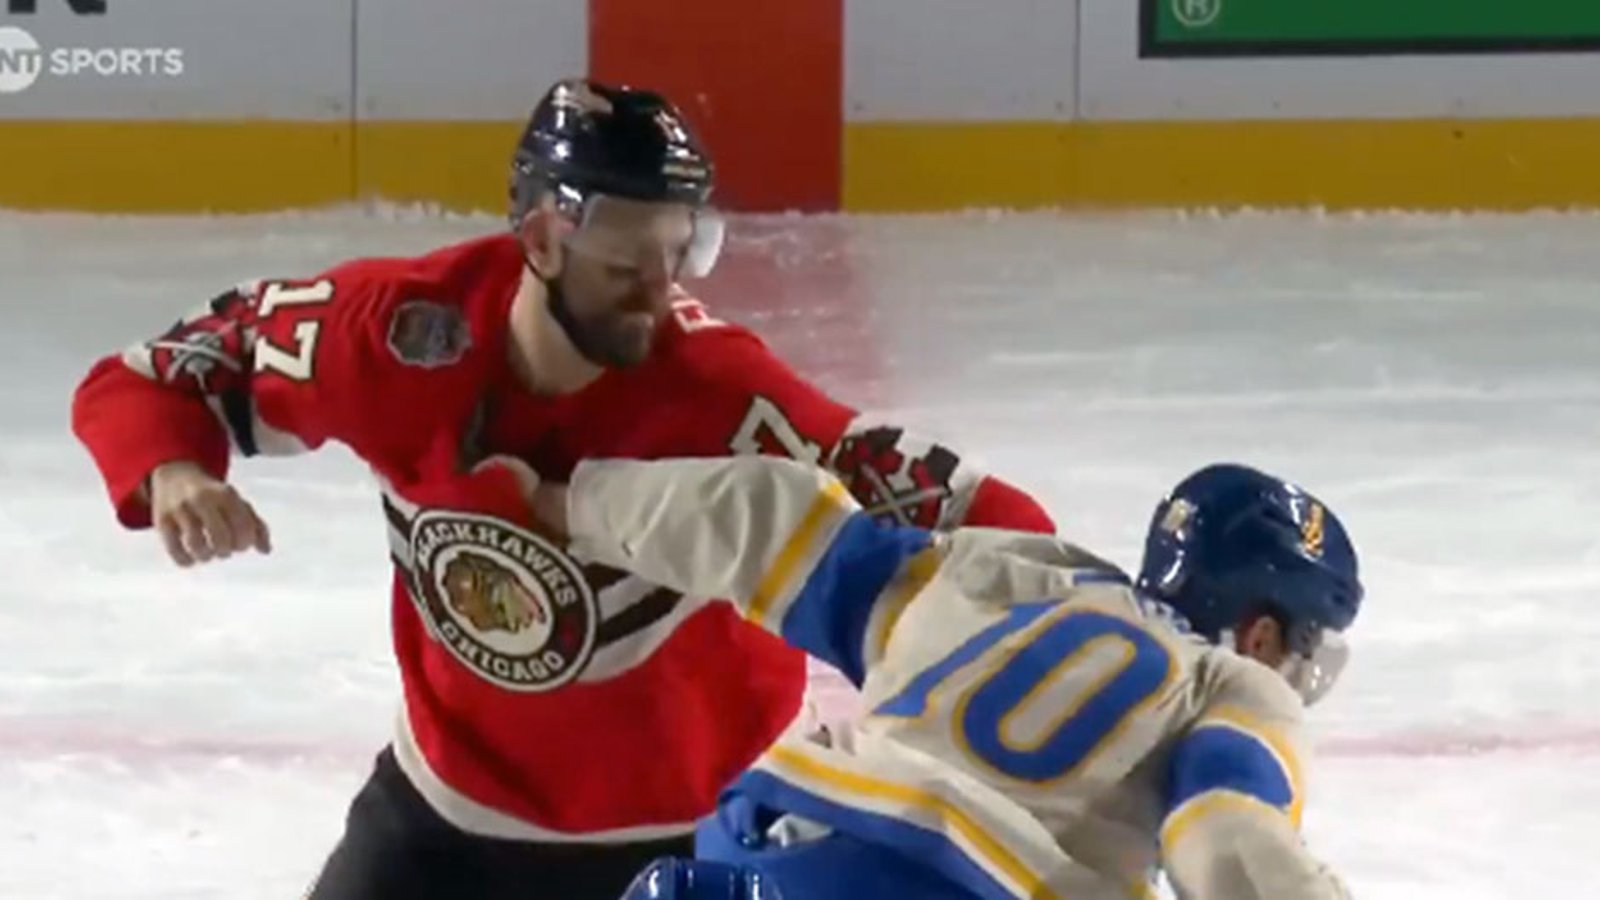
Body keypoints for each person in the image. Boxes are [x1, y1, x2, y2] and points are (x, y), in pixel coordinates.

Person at [69, 79, 1055, 900]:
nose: (660, 293)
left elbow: (983, 524)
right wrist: (172, 469)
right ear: (540, 239)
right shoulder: (391, 334)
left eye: (678, 256)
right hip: (445, 818)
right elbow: (161, 371)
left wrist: (1092, 630)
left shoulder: (727, 399)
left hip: (690, 843)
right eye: (627, 267)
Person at [522, 455, 1360, 899]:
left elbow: (765, 518)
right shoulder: (1237, 687)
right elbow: (1226, 845)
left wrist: (569, 503)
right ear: (1261, 630)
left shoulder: (1006, 571)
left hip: (771, 843)